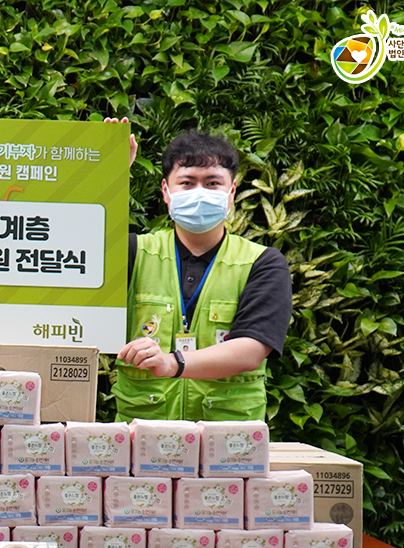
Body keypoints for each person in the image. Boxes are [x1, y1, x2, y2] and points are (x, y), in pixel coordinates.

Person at [114, 130, 291, 422]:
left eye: (212, 183)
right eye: (187, 183)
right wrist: (110, 175)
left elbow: (251, 349)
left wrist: (172, 363)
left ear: (231, 191)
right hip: (142, 434)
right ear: (166, 191)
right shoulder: (133, 252)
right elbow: (75, 259)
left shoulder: (262, 262)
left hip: (229, 439)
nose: (199, 193)